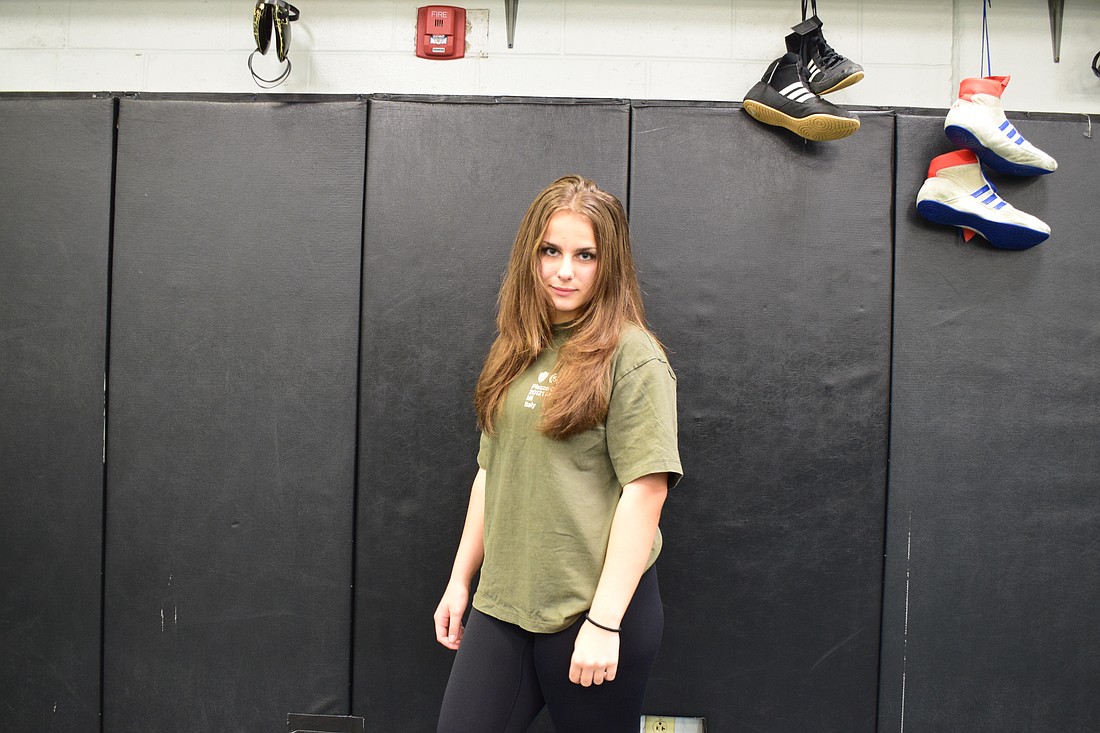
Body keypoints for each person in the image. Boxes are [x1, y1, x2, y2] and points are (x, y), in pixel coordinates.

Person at [433, 175, 682, 733]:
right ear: (532, 254)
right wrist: (459, 581)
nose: (564, 270)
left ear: (608, 263)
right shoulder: (516, 345)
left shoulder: (633, 356)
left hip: (591, 610)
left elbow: (647, 491)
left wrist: (605, 622)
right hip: (505, 605)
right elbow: (489, 472)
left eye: (585, 255)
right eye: (551, 251)